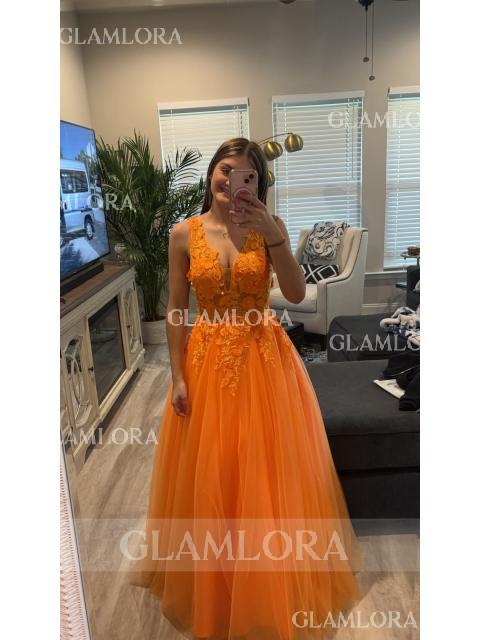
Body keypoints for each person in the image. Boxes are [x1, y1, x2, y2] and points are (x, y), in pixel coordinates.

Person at [129, 138, 363, 639]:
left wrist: (273, 236)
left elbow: (296, 294)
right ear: (212, 173)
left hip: (263, 357)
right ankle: (215, 584)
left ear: (258, 183)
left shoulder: (269, 227)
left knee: (265, 469)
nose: (232, 179)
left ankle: (267, 581)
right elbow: (176, 309)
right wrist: (177, 375)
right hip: (207, 359)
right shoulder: (183, 233)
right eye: (225, 168)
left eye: (246, 173)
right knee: (212, 467)